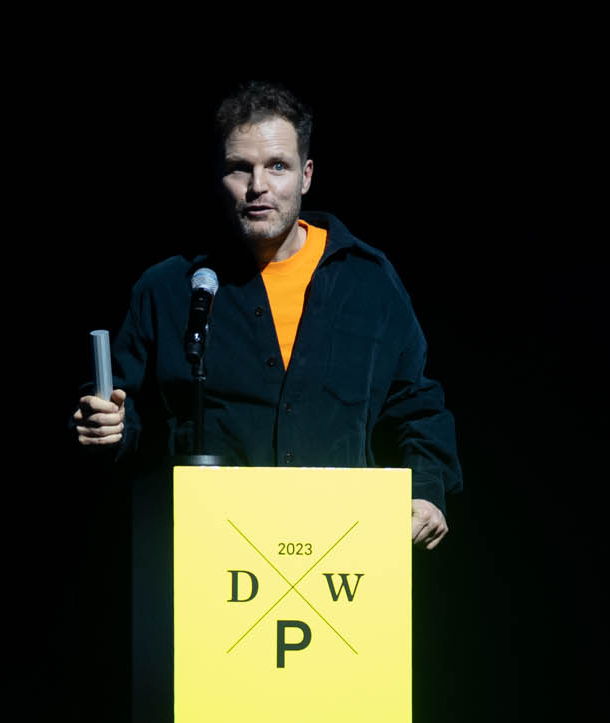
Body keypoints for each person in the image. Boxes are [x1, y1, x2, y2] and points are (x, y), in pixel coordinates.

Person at [72, 81, 461, 546]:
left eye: (277, 166)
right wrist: (107, 425)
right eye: (240, 168)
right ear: (219, 176)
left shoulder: (367, 281)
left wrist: (426, 490)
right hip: (210, 550)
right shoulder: (169, 288)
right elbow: (120, 409)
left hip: (341, 550)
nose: (258, 186)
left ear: (306, 175)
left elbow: (416, 404)